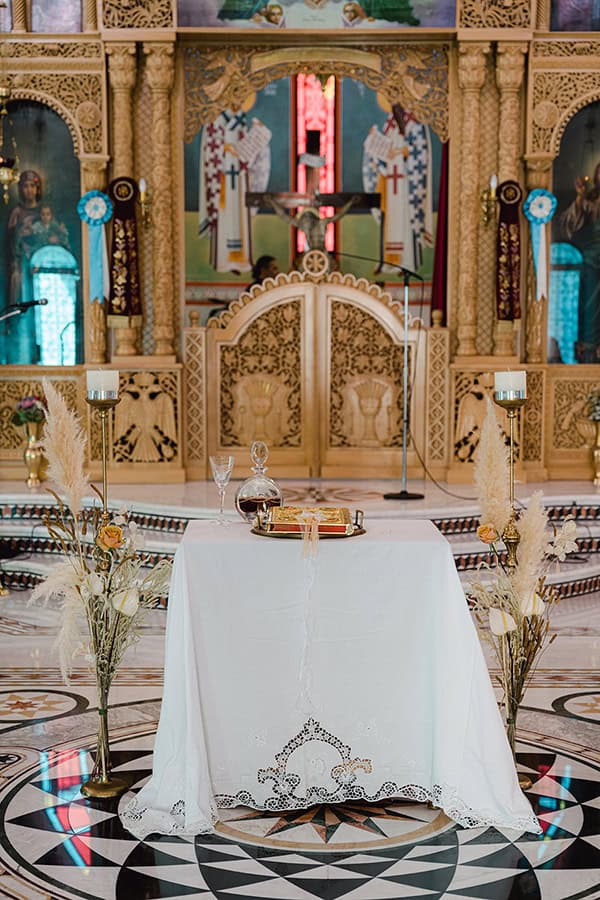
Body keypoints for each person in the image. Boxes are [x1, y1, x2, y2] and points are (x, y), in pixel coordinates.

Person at [560, 162, 600, 358]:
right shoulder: (589, 199)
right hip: (593, 254)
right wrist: (580, 196)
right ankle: (589, 346)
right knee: (590, 300)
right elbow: (572, 222)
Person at [5, 170, 42, 362]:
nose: (29, 190)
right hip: (22, 263)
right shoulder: (17, 213)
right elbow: (12, 240)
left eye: (32, 186)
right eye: (25, 186)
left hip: (41, 267)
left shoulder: (45, 212)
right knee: (19, 287)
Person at [266, 195, 359, 253]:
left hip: (323, 253)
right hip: (310, 254)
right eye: (304, 219)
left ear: (313, 218)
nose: (306, 222)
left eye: (307, 219)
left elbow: (339, 215)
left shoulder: (322, 223)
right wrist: (272, 202)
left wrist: (350, 203)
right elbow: (284, 216)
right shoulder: (303, 225)